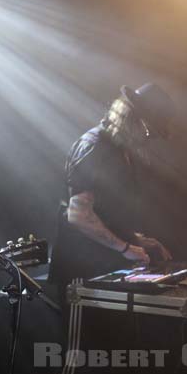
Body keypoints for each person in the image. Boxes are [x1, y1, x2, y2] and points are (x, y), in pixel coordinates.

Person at [50, 83, 174, 289]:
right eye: (149, 131)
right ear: (131, 117)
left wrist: (136, 240)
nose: (148, 139)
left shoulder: (120, 149)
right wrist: (125, 247)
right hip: (82, 272)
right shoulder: (96, 146)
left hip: (105, 267)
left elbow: (107, 212)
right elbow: (78, 214)